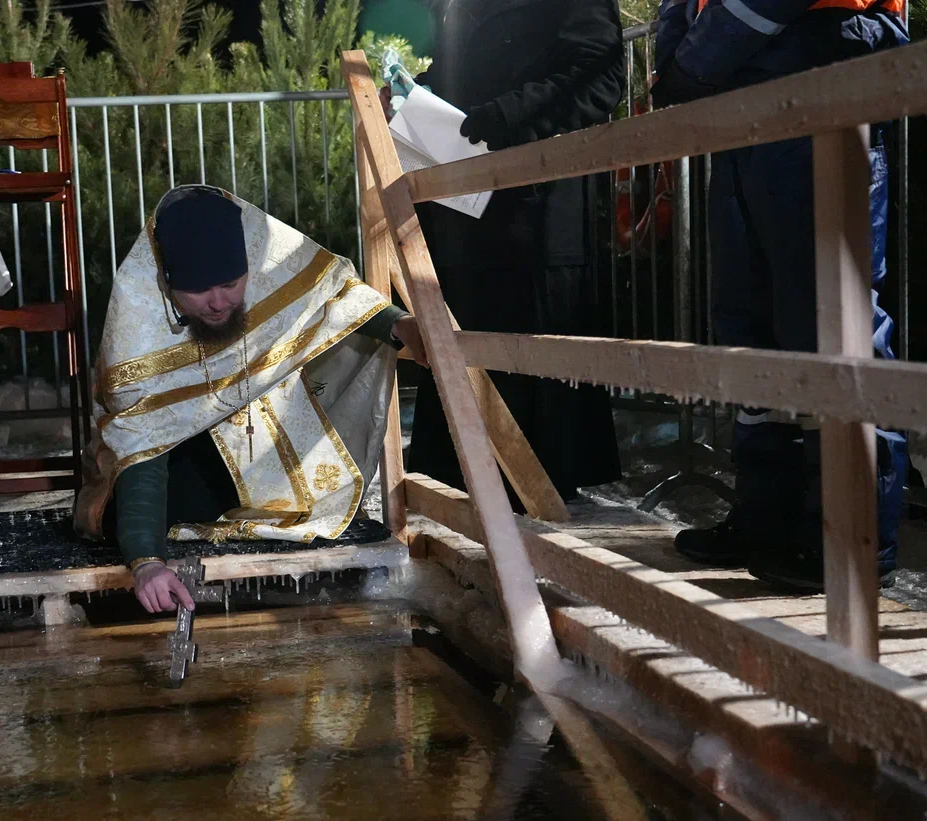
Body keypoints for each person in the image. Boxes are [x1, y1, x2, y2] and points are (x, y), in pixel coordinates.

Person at [653, 0, 909, 590]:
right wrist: (683, 65)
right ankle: (767, 520)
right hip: (751, 97)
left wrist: (690, 63)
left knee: (833, 323)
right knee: (755, 331)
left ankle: (855, 540)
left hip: (820, 65)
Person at [75, 185, 427, 614]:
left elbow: (332, 297)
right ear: (167, 283)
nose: (219, 303)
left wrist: (398, 325)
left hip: (260, 447)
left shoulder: (265, 256)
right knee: (144, 513)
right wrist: (146, 561)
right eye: (199, 291)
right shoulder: (135, 330)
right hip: (175, 462)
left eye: (230, 283)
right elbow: (142, 444)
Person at [401, 0, 626, 508]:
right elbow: (467, 65)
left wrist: (507, 115)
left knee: (534, 371)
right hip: (465, 204)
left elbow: (600, 76)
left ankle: (537, 508)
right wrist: (422, 93)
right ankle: (464, 479)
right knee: (467, 333)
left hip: (537, 208)